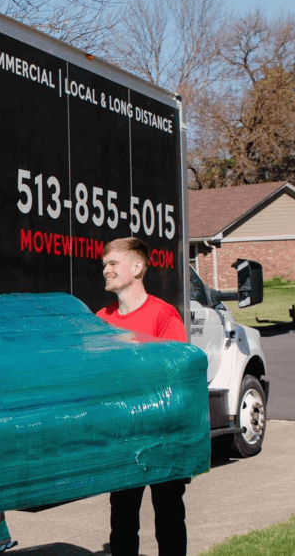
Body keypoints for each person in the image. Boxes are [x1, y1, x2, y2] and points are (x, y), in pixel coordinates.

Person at [95, 237, 188, 556]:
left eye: (113, 263)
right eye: (104, 264)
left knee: (169, 517)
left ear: (137, 267)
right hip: (123, 436)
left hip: (163, 434)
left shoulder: (164, 315)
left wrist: (131, 342)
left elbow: (181, 366)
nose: (105, 270)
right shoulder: (100, 320)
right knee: (121, 520)